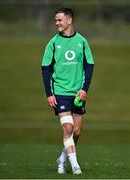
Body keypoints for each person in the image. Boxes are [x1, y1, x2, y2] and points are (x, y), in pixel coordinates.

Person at [41, 7, 94, 175]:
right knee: (68, 128)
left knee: (77, 131)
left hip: (78, 94)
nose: (56, 23)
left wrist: (84, 89)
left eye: (59, 20)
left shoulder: (82, 41)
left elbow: (89, 66)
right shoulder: (53, 43)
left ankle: (62, 159)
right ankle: (76, 167)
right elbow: (46, 69)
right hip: (61, 93)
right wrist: (49, 93)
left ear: (69, 21)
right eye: (56, 20)